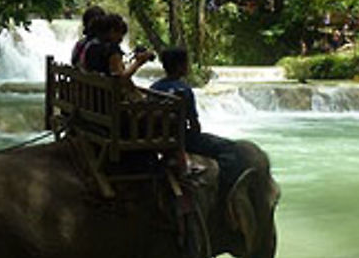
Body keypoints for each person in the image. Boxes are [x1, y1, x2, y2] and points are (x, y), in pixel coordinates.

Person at [150, 47, 243, 190]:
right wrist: (196, 134)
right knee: (231, 150)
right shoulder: (184, 90)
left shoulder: (154, 87)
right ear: (180, 66)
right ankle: (225, 189)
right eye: (186, 63)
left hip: (158, 137)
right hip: (181, 139)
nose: (188, 66)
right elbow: (193, 122)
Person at [82, 13, 154, 79]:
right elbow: (121, 79)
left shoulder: (90, 46)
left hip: (92, 90)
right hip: (107, 92)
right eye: (121, 34)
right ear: (112, 31)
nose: (121, 39)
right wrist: (139, 62)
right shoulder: (112, 50)